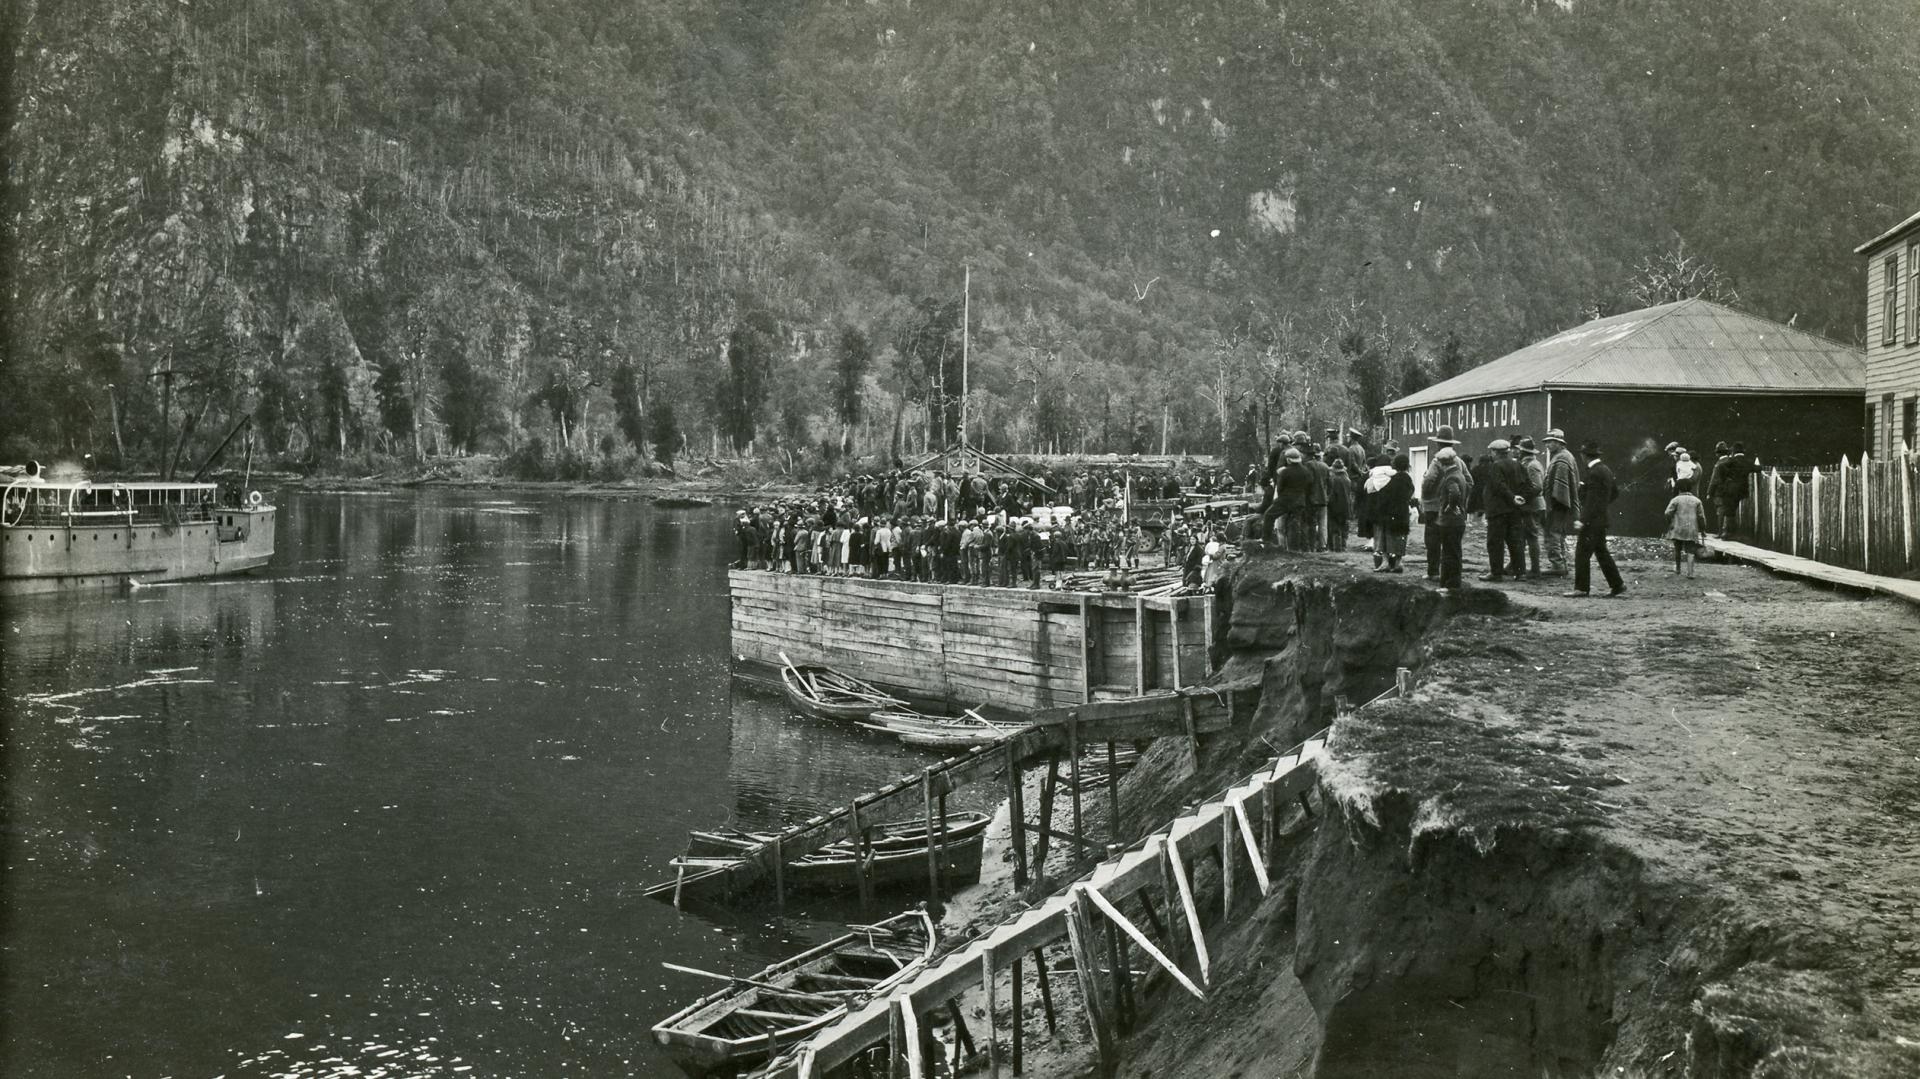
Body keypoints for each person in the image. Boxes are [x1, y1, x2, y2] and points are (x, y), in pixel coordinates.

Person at [1566, 440, 1627, 598]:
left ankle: (1581, 588)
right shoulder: (1605, 470)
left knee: (1582, 553)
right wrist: (1602, 506)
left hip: (1591, 522)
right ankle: (1617, 584)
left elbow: (1591, 500)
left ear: (1584, 456)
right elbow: (1614, 492)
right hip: (1600, 519)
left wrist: (1583, 519)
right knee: (1601, 552)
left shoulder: (1593, 472)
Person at [1477, 440, 1534, 582]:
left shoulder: (1495, 466)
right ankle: (1521, 573)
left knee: (1495, 542)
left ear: (1496, 452)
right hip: (1514, 511)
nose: (1491, 454)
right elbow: (1529, 486)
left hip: (1497, 511)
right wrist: (1521, 498)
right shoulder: (1518, 465)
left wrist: (1512, 497)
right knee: (1515, 542)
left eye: (1491, 451)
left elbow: (1499, 485)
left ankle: (1496, 573)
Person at [1423, 447, 1472, 592]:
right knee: (1454, 552)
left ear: (1443, 463)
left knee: (1449, 553)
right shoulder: (1459, 474)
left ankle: (1450, 584)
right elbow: (1467, 488)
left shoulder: (1450, 477)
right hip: (1458, 520)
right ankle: (1450, 583)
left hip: (1449, 521)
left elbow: (1454, 492)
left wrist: (1450, 507)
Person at [1419, 425, 1463, 579]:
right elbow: (1469, 481)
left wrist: (1425, 497)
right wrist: (1459, 501)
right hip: (1452, 508)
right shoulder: (1459, 461)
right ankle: (1448, 573)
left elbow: (1428, 481)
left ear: (1438, 443)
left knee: (1432, 540)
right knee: (1450, 543)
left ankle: (1433, 572)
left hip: (1433, 506)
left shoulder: (1438, 460)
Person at [1540, 429, 1579, 577]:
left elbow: (1561, 487)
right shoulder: (1563, 456)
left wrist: (1554, 502)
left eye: (1550, 442)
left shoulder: (1562, 458)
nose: (1548, 445)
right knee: (1558, 533)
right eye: (1547, 442)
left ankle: (1557, 565)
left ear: (1559, 443)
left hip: (1558, 504)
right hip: (1560, 503)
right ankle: (1560, 564)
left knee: (1553, 533)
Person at [1372, 453, 1415, 572]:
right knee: (1401, 537)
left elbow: (1385, 495)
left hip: (1390, 513)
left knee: (1386, 536)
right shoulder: (1408, 479)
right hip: (1403, 512)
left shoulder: (1392, 479)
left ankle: (1385, 562)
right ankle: (1398, 563)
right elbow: (1411, 492)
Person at [1665, 477, 1706, 579]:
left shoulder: (1675, 500)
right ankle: (1690, 573)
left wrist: (1670, 522)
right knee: (1691, 550)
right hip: (1691, 529)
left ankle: (1678, 568)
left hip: (1678, 528)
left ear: (1678, 488)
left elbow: (1667, 513)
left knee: (1677, 548)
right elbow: (1701, 517)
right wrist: (1703, 528)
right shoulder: (1697, 501)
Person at [1517, 436, 1547, 578]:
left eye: (1519, 450)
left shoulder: (1531, 465)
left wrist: (1523, 498)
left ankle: (1535, 569)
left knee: (1531, 536)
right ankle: (1515, 564)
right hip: (1532, 505)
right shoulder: (1532, 463)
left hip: (1531, 506)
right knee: (1523, 536)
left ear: (1523, 451)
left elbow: (1537, 486)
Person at [1322, 447, 1352, 553]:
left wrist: (1327, 501)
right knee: (1344, 527)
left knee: (1334, 528)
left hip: (1335, 506)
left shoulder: (1333, 479)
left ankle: (1335, 547)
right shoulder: (1347, 478)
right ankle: (1343, 546)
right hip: (1346, 506)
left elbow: (1331, 494)